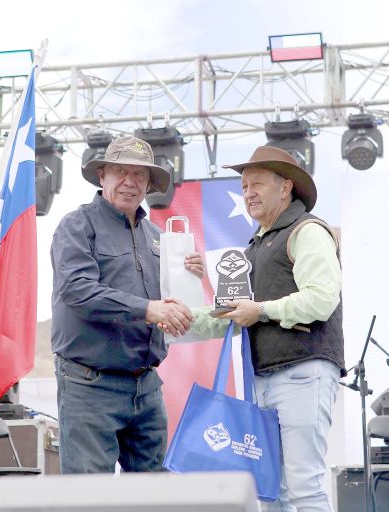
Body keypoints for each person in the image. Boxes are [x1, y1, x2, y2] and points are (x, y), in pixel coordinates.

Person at [186, 145, 345, 511]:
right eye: (243, 187)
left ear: (286, 187)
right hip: (265, 380)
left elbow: (321, 299)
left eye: (256, 184)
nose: (248, 193)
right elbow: (232, 313)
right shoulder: (255, 247)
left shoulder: (307, 232)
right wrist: (178, 318)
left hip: (302, 374)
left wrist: (260, 311)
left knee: (303, 487)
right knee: (271, 490)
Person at [51, 135, 204, 475]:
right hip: (89, 384)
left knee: (155, 498)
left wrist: (191, 279)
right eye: (120, 171)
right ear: (102, 175)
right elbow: (77, 290)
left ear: (149, 184)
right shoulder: (77, 226)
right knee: (90, 498)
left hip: (146, 385)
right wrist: (148, 309)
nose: (129, 182)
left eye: (139, 175)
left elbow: (174, 307)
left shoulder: (157, 237)